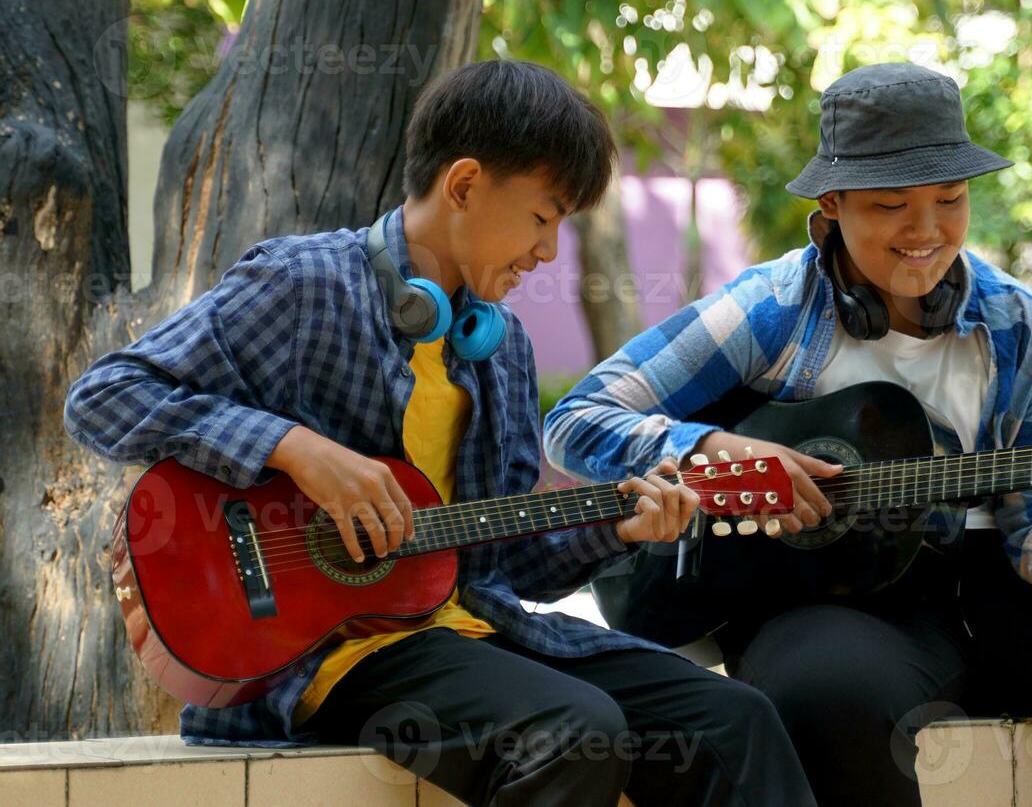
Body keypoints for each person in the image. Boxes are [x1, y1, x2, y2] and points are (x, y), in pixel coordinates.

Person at [544, 63, 1032, 805]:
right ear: (833, 204)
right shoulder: (771, 310)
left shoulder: (1017, 325)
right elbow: (577, 422)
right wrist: (711, 449)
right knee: (825, 701)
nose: (926, 230)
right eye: (890, 206)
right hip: (829, 603)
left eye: (950, 199)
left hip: (1006, 595)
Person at [64, 60, 815, 807]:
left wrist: (620, 527)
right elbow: (104, 397)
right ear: (463, 185)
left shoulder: (501, 349)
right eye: (543, 217)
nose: (549, 251)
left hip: (469, 633)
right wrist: (298, 449)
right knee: (574, 728)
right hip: (314, 658)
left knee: (735, 720)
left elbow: (505, 565)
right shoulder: (303, 286)